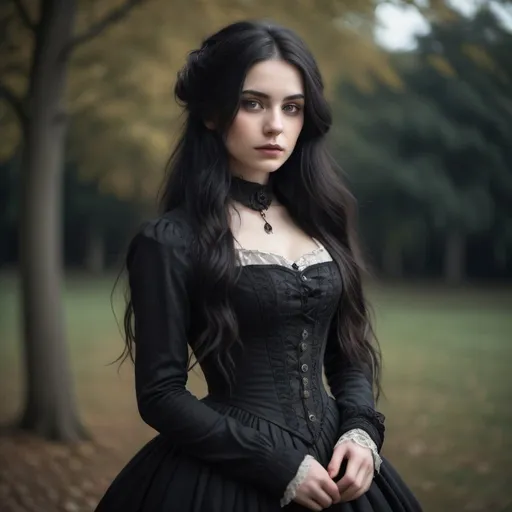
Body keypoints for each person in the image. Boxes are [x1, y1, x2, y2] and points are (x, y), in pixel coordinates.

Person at [95, 20, 422, 512]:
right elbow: (161, 393)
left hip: (339, 470)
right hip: (229, 475)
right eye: (253, 103)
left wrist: (360, 430)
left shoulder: (322, 220)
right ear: (210, 112)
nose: (276, 125)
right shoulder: (170, 241)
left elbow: (348, 351)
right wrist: (276, 463)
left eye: (292, 108)